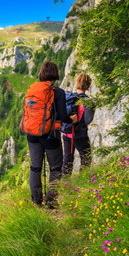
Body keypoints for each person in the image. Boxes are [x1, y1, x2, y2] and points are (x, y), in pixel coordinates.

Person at [23, 61, 77, 206]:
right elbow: (63, 115)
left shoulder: (32, 89)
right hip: (50, 135)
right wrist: (71, 119)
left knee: (35, 167)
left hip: (32, 134)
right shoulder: (57, 92)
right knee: (55, 167)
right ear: (55, 74)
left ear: (41, 73)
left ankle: (36, 201)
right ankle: (51, 201)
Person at [62, 73, 95, 176]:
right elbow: (87, 120)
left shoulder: (69, 97)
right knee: (86, 157)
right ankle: (83, 181)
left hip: (67, 134)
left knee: (67, 160)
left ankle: (64, 186)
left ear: (77, 83)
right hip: (80, 135)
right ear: (88, 85)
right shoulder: (87, 101)